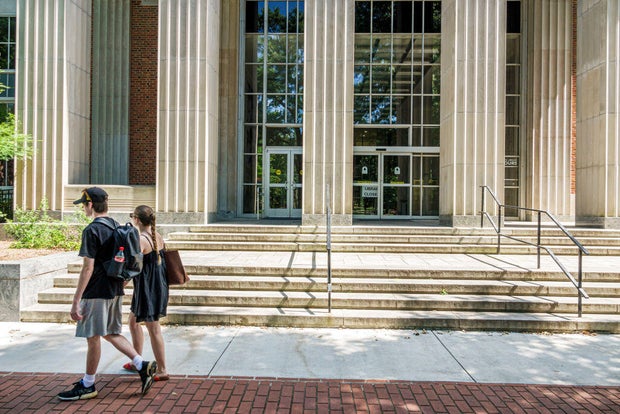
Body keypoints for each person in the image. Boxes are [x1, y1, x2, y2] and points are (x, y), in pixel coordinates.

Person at [57, 187, 157, 401]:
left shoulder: (92, 230)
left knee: (93, 337)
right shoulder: (116, 226)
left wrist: (76, 301)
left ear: (90, 204)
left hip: (96, 291)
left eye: (84, 204)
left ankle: (88, 384)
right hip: (115, 289)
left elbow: (87, 268)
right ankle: (142, 365)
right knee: (110, 332)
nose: (84, 208)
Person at [122, 205, 169, 381]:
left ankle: (163, 370)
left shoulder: (141, 239)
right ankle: (137, 361)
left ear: (137, 220)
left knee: (154, 329)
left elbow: (133, 267)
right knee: (133, 322)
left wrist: (122, 283)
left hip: (148, 290)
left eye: (132, 216)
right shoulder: (157, 236)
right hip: (156, 287)